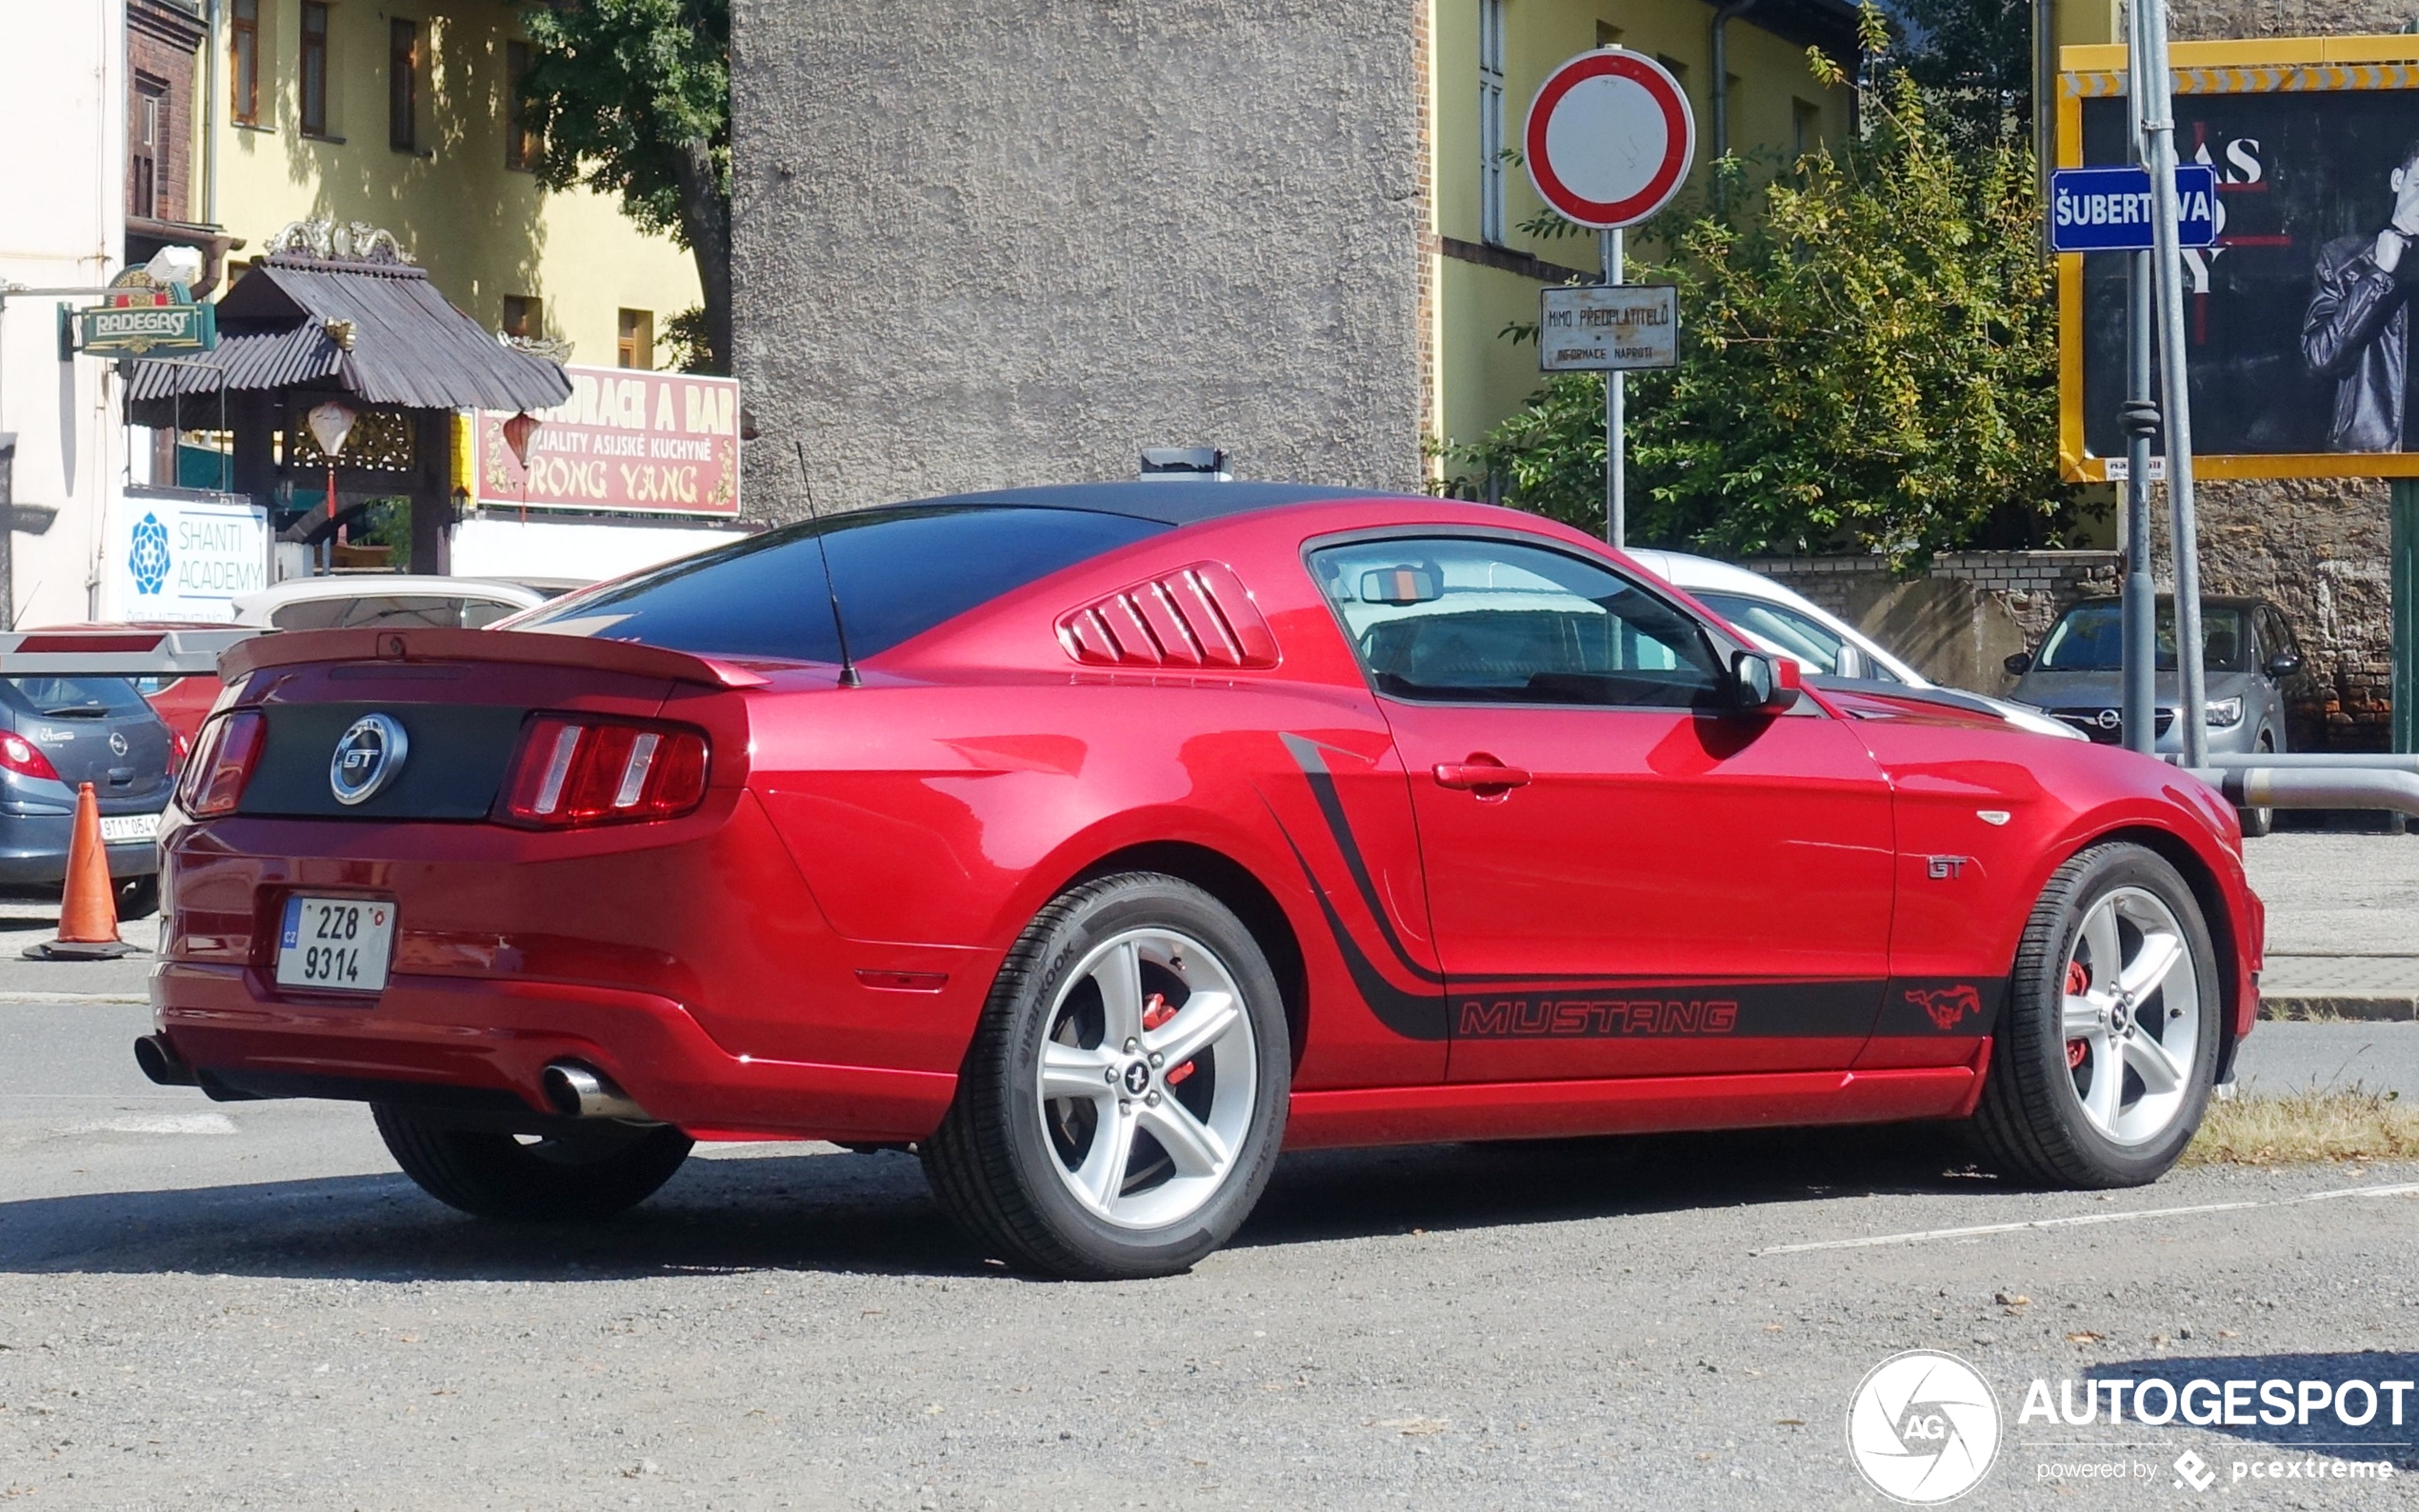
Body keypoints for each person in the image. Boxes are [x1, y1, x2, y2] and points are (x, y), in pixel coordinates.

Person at [2303, 137, 2419, 451]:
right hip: (2367, 457)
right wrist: (2378, 276)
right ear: (2399, 180)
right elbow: (2321, 357)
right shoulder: (2344, 259)